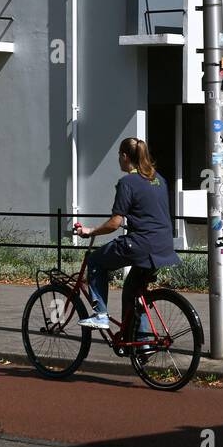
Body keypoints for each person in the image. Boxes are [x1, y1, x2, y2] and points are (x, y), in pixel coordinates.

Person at [72, 138, 178, 329]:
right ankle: (141, 346)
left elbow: (115, 223)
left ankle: (100, 315)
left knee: (95, 262)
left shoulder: (127, 182)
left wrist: (91, 231)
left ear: (124, 156)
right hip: (164, 245)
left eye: (119, 157)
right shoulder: (158, 179)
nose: (118, 161)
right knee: (134, 292)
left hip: (142, 244)